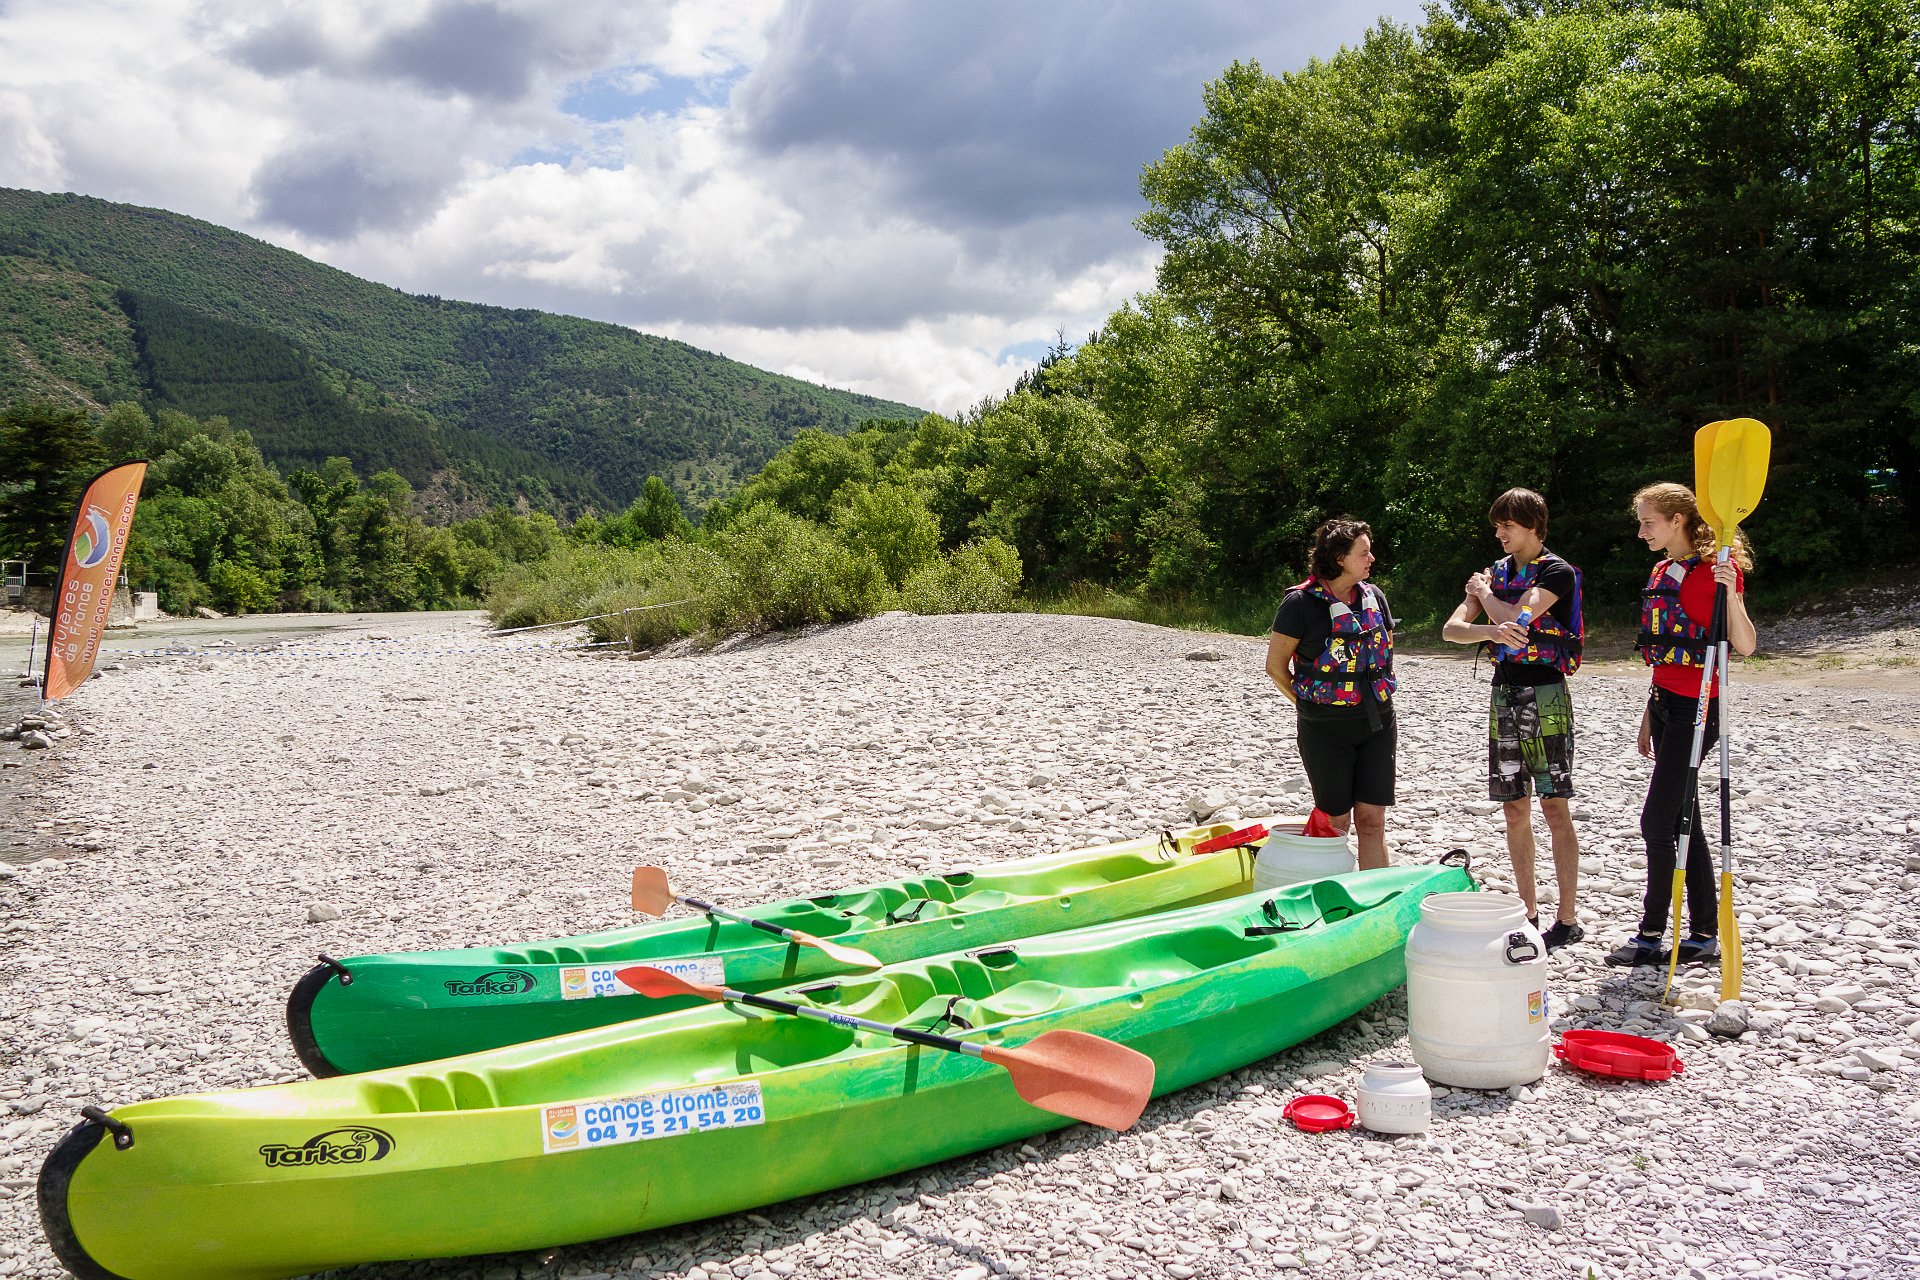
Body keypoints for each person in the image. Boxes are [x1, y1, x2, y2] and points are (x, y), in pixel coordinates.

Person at [1607, 482, 1756, 967]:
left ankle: (1650, 934)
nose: (1641, 532)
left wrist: (1731, 593)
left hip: (1698, 711)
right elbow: (1664, 656)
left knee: (1656, 822)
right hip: (1666, 705)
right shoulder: (1662, 570)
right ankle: (1705, 933)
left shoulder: (1717, 572)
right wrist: (1649, 714)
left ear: (1678, 520)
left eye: (1648, 522)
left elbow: (1746, 645)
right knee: (1683, 819)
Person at [1441, 488, 1585, 951]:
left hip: (1546, 695)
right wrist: (1489, 626)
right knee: (1514, 808)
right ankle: (1528, 912)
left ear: (1533, 526)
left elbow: (1521, 619)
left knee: (1554, 805)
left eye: (1507, 525)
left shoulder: (1557, 572)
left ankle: (1567, 918)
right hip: (1503, 695)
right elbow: (1451, 630)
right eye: (1497, 526)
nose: (1499, 534)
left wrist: (1484, 596)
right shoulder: (1496, 573)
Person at [1265, 518, 1396, 869]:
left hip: (1378, 722)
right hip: (1324, 728)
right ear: (1339, 558)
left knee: (1372, 819)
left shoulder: (1374, 597)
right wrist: (1308, 705)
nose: (1372, 559)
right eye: (1364, 553)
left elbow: (1385, 654)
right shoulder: (1299, 604)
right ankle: (1332, 893)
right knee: (1336, 822)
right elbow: (1275, 667)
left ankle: (1376, 895)